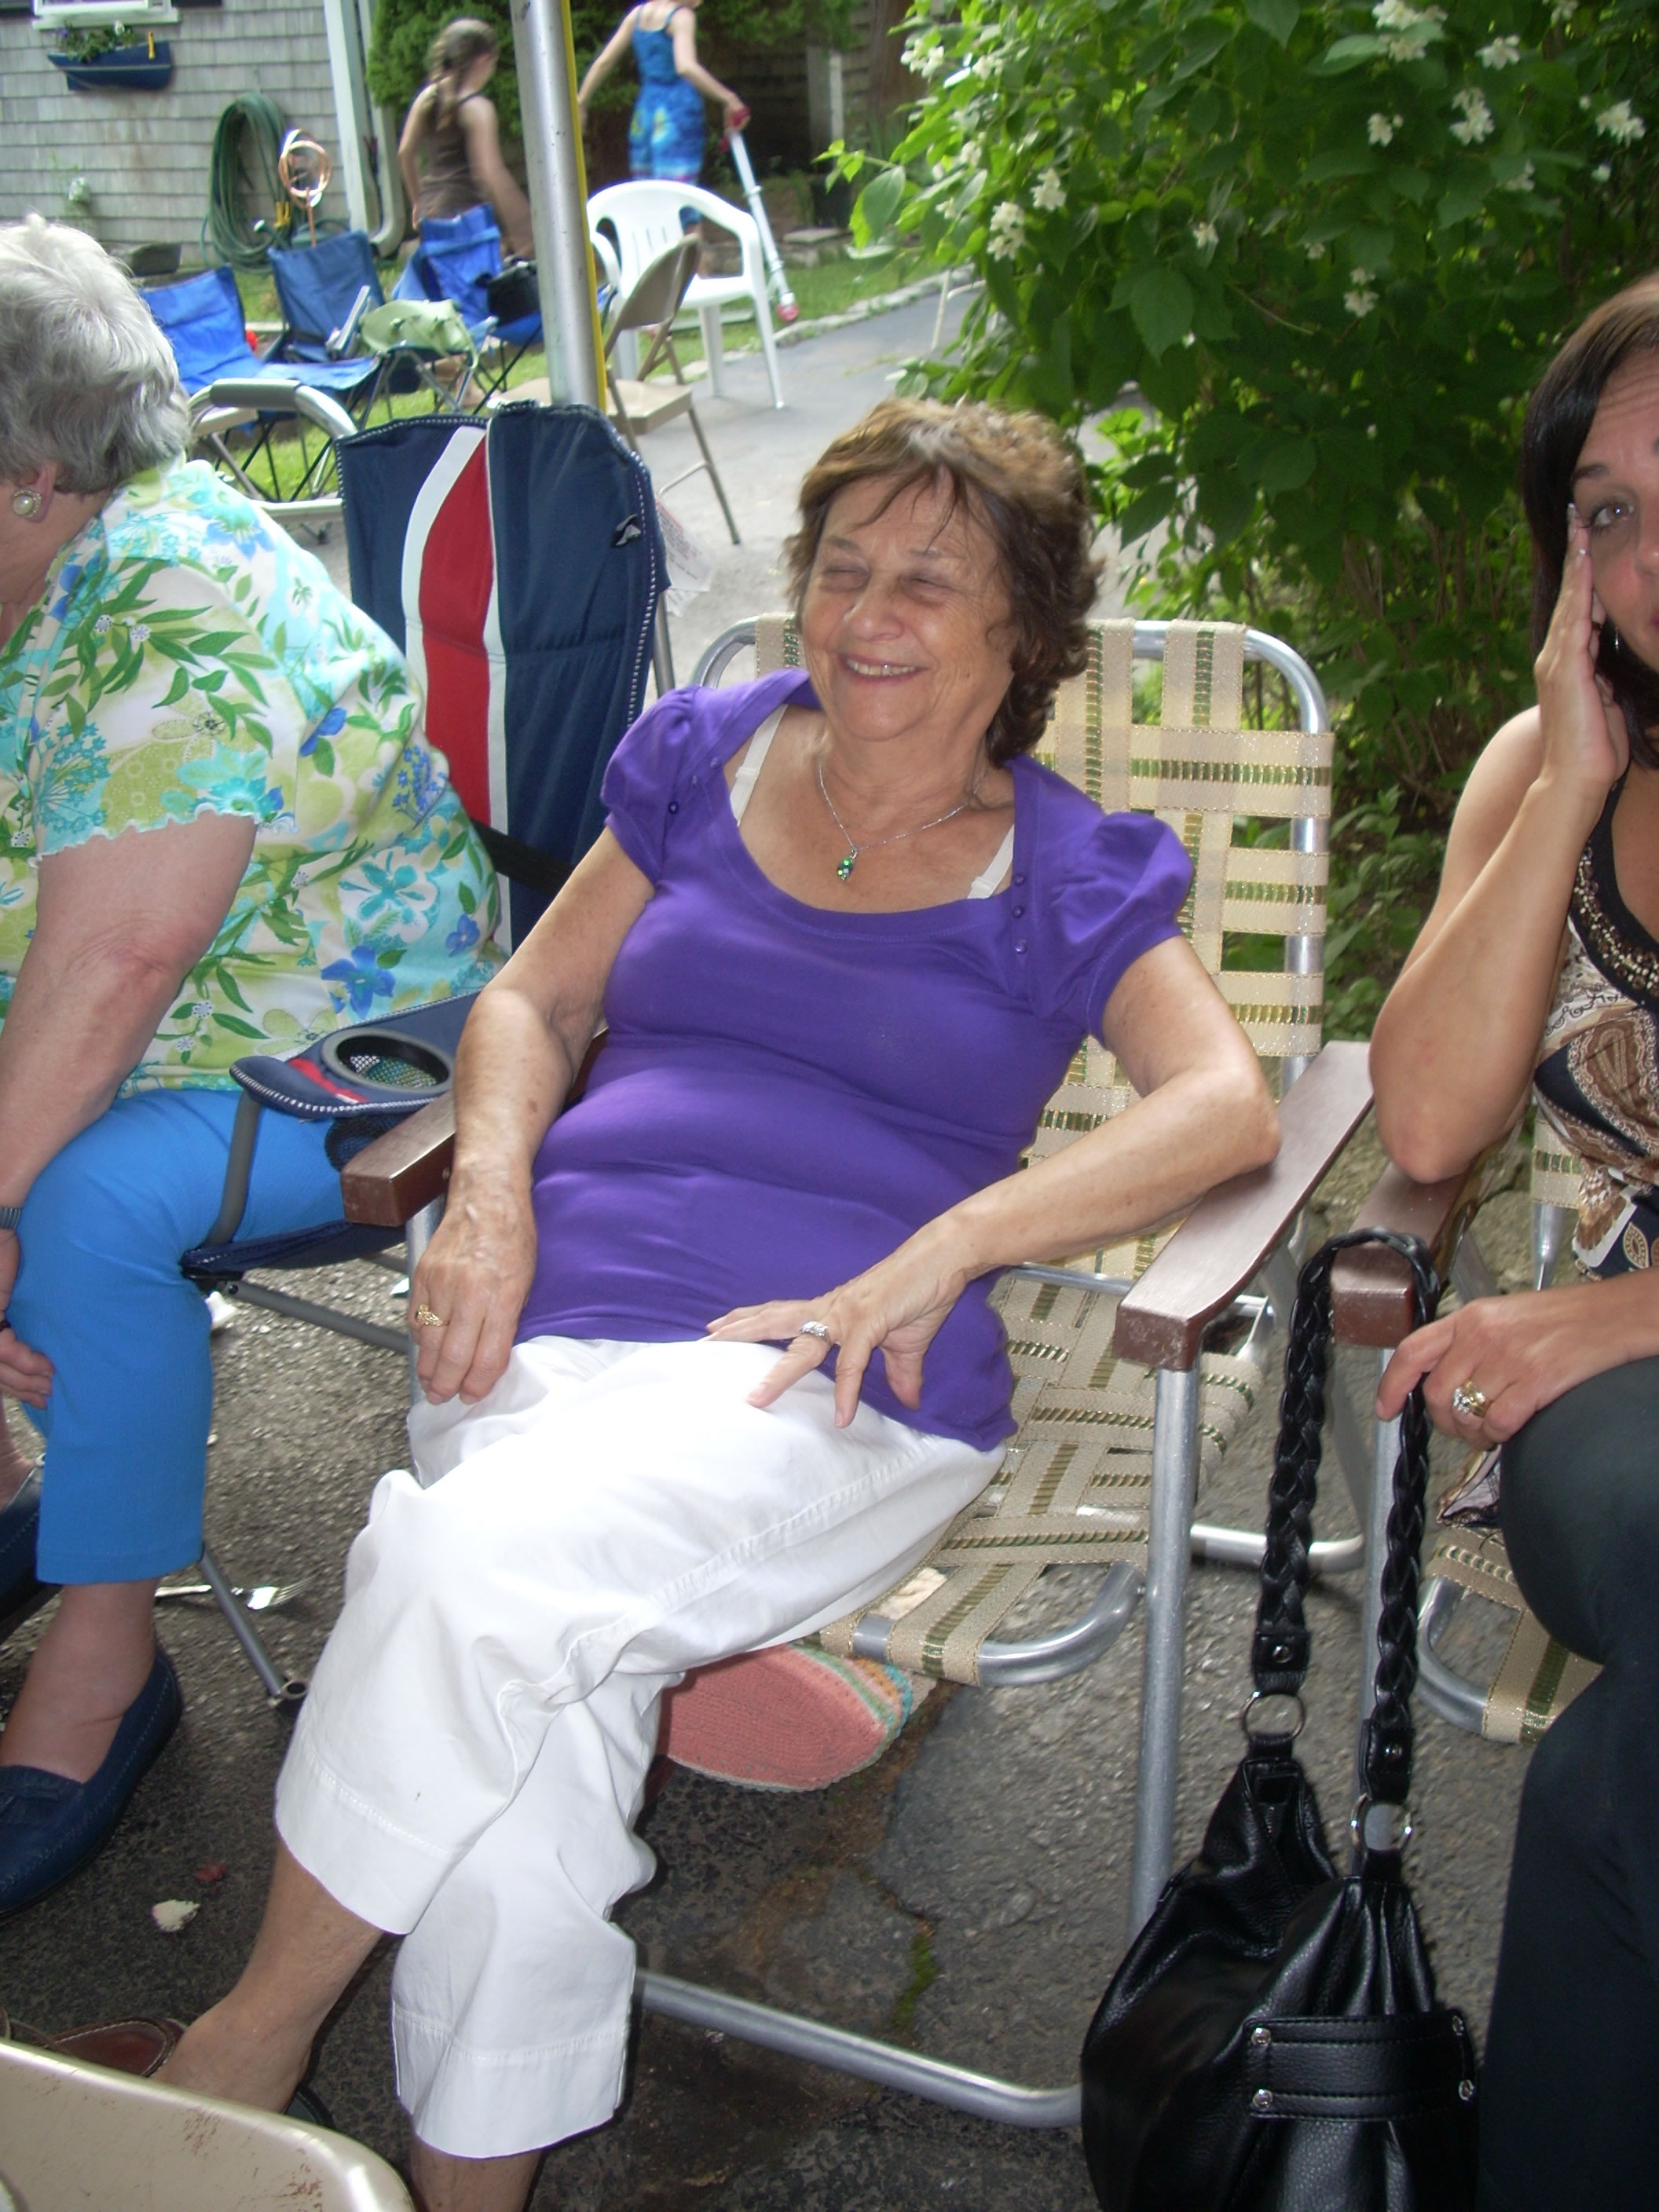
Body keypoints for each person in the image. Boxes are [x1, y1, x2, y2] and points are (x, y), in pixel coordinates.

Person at [160, 397, 1278, 2212]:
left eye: (928, 580)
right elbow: (529, 1002)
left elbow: (1222, 1105)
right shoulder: (706, 752)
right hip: (541, 1321)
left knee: (462, 1573)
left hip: (820, 1369)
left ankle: (247, 2043)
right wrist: (488, 1195)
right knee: (537, 1727)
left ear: (1021, 636)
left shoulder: (1066, 868)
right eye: (841, 567)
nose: (864, 615)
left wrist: (952, 1244)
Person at [0, 216, 501, 1916]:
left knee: (76, 1203)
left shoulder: (162, 599)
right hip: (165, 1008)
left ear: (31, 476)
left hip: (349, 1049)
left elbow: (115, 968)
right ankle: (24, 1498)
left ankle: (106, 1662)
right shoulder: (55, 566)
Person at [1369, 274, 1659, 2211]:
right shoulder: (1550, 769)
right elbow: (1421, 1124)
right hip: (1613, 1419)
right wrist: (1563, 781)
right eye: (1606, 510)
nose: (1648, 549)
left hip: (1620, 1337)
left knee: (1609, 1787)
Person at [398, 18, 534, 260]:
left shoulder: (428, 98)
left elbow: (405, 153)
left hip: (434, 212)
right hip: (468, 215)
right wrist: (523, 225)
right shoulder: (477, 108)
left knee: (443, 280)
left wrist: (418, 202)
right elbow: (489, 173)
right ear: (483, 61)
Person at [577, 0, 747, 186]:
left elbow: (604, 62)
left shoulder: (637, 15)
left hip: (644, 115)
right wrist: (729, 98)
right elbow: (685, 67)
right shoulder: (681, 17)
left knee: (648, 191)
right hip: (677, 114)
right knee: (676, 193)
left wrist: (581, 102)